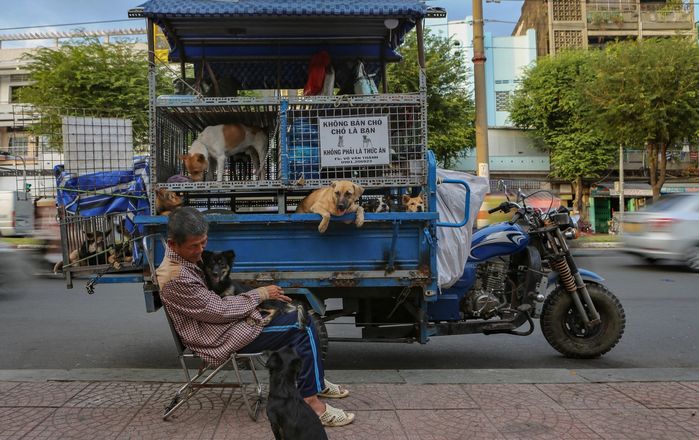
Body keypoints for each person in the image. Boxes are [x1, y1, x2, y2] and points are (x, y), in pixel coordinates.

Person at [156, 207, 354, 427]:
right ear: (173, 244)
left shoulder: (184, 259)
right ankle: (311, 403)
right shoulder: (175, 277)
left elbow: (216, 305)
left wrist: (258, 298)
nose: (201, 250)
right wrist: (260, 294)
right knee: (301, 325)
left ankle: (314, 382)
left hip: (221, 325)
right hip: (216, 337)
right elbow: (218, 310)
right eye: (194, 246)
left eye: (204, 242)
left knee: (300, 312)